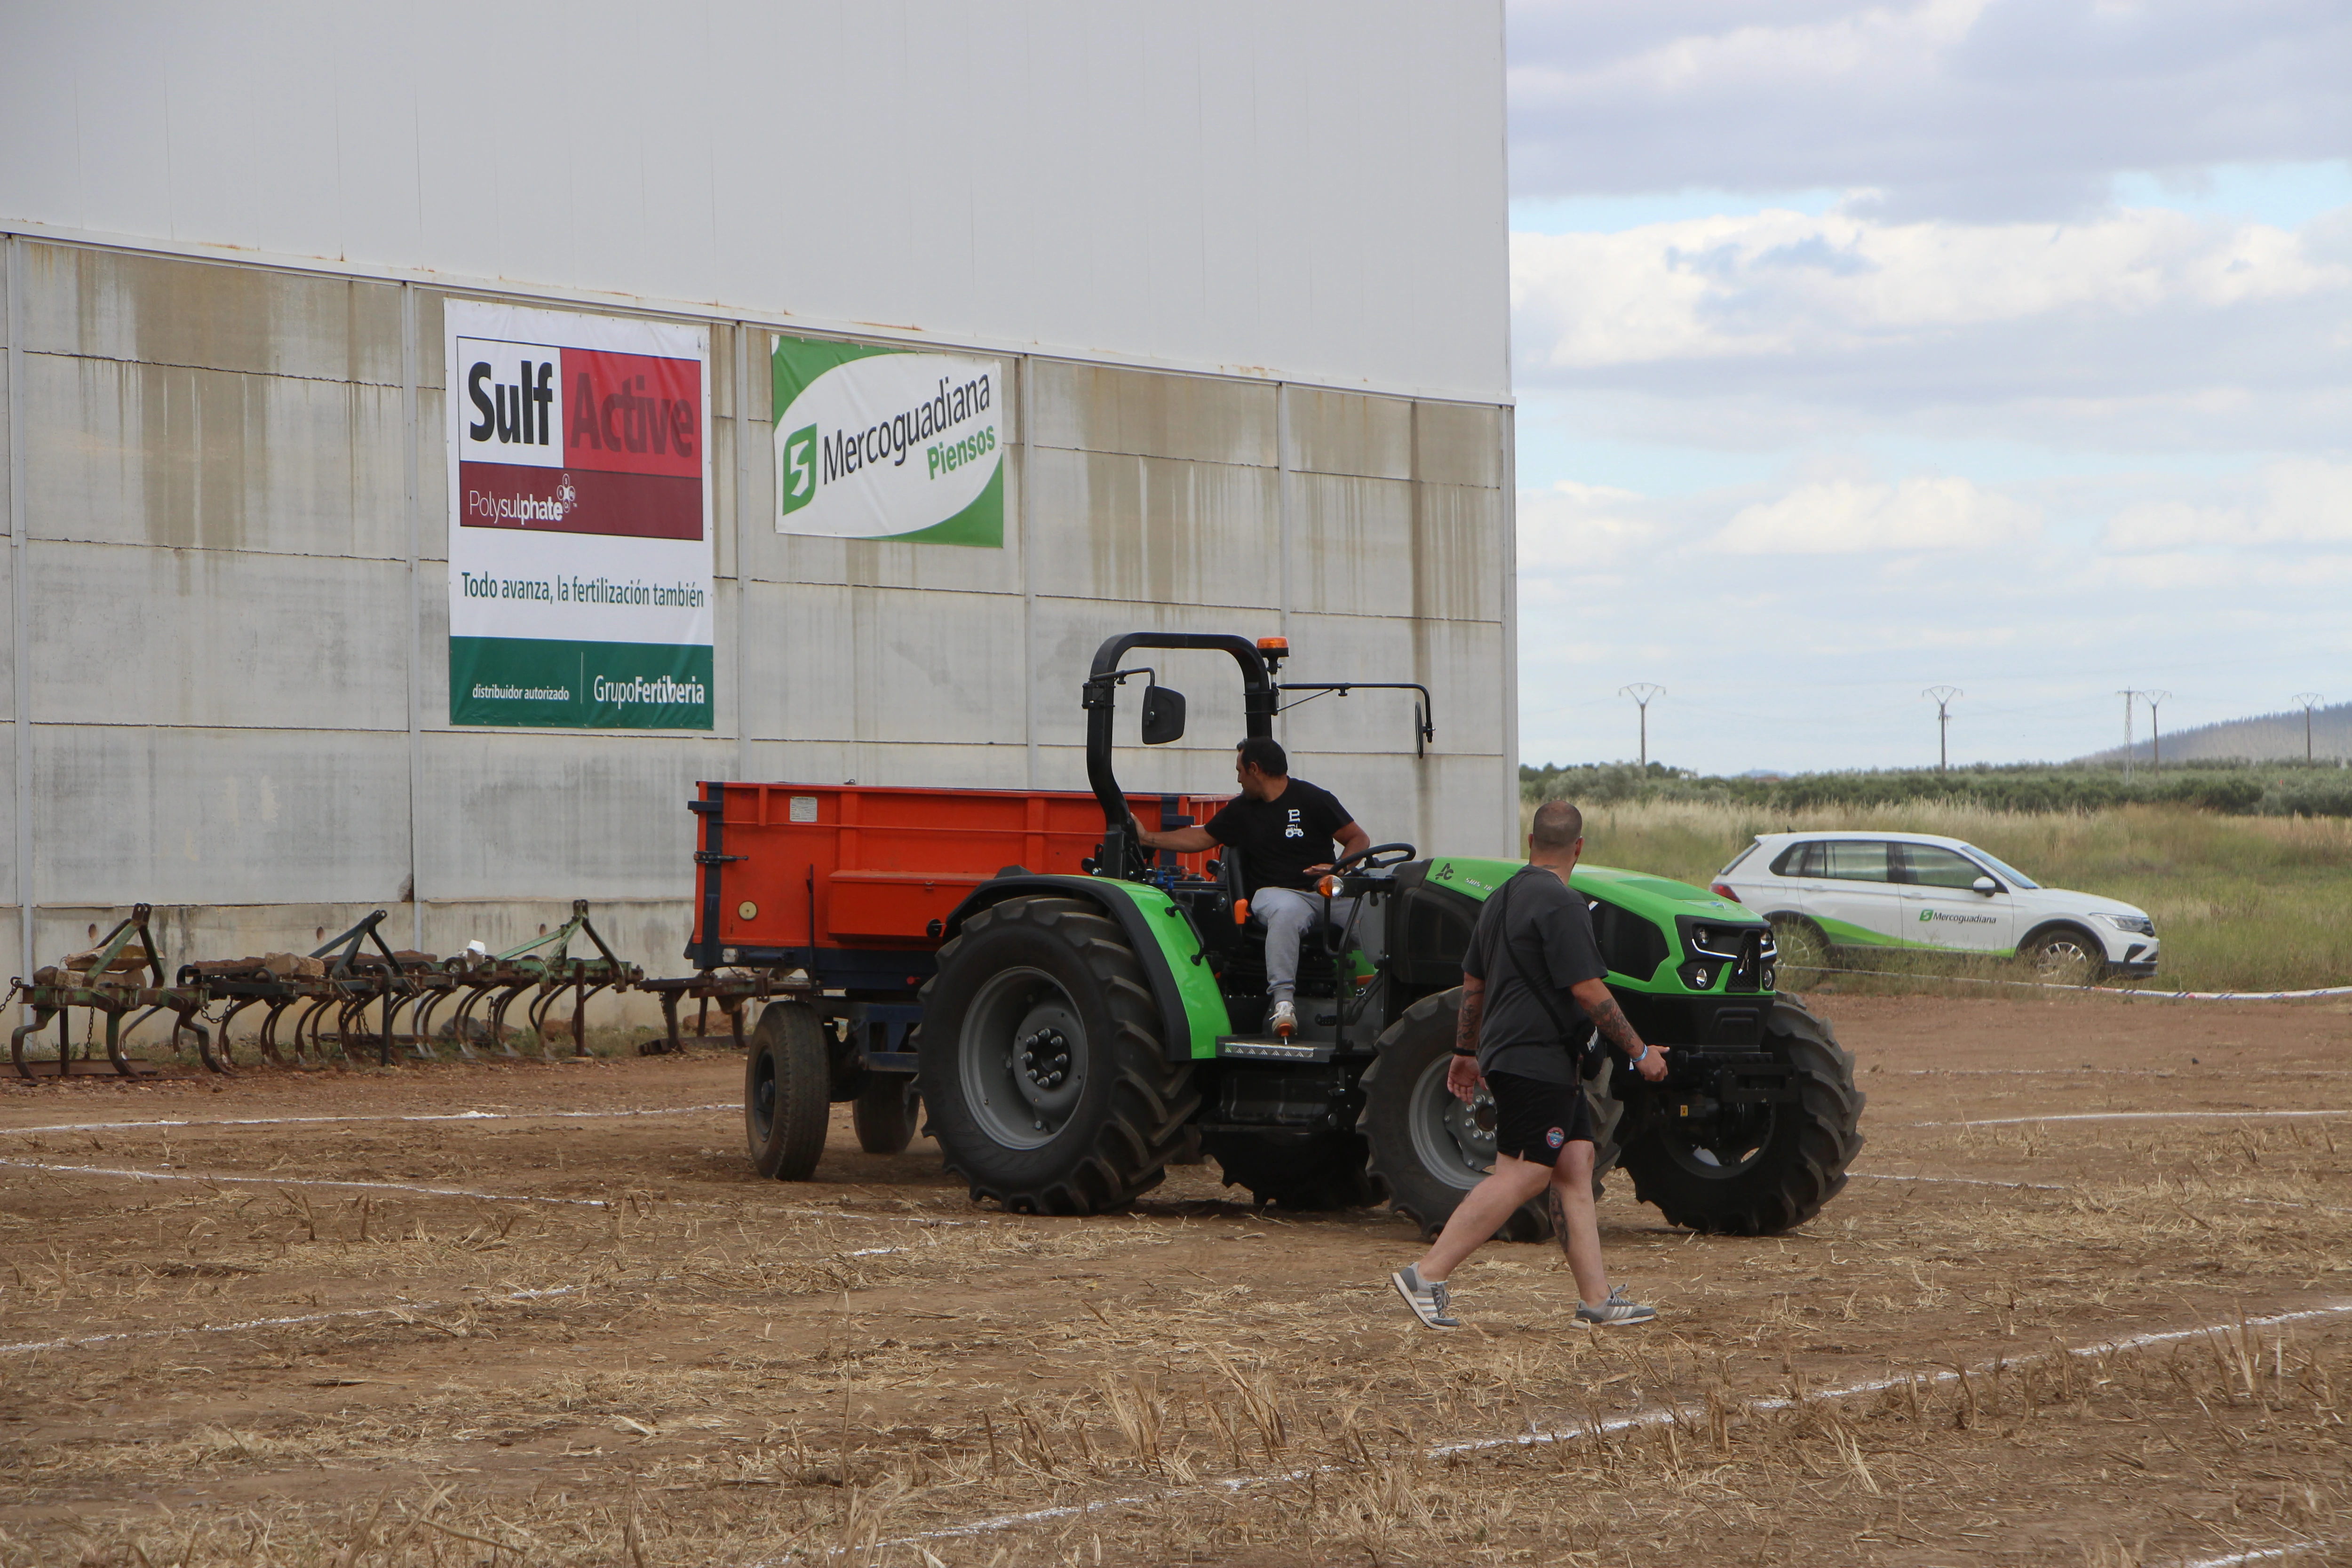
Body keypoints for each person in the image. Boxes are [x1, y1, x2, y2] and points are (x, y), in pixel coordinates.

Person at [1388, 801, 1670, 1330]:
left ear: (1529, 840)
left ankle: (1595, 1301)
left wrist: (1466, 1054)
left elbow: (1473, 986)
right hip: (1535, 1058)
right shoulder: (1563, 904)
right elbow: (1587, 989)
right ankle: (1426, 1275)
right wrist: (1639, 1054)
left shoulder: (1497, 900)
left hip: (1515, 1053)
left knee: (1574, 1164)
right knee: (1523, 1174)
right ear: (1579, 848)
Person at [1134, 737, 1370, 1037]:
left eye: (1240, 771)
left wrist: (1338, 870)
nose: (1238, 778)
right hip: (1277, 894)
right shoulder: (1242, 811)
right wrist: (1147, 838)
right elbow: (1201, 838)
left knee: (1375, 912)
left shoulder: (1313, 798)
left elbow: (1358, 839)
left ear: (1255, 770)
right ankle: (1284, 1003)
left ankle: (1382, 992)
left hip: (1324, 893)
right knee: (1286, 911)